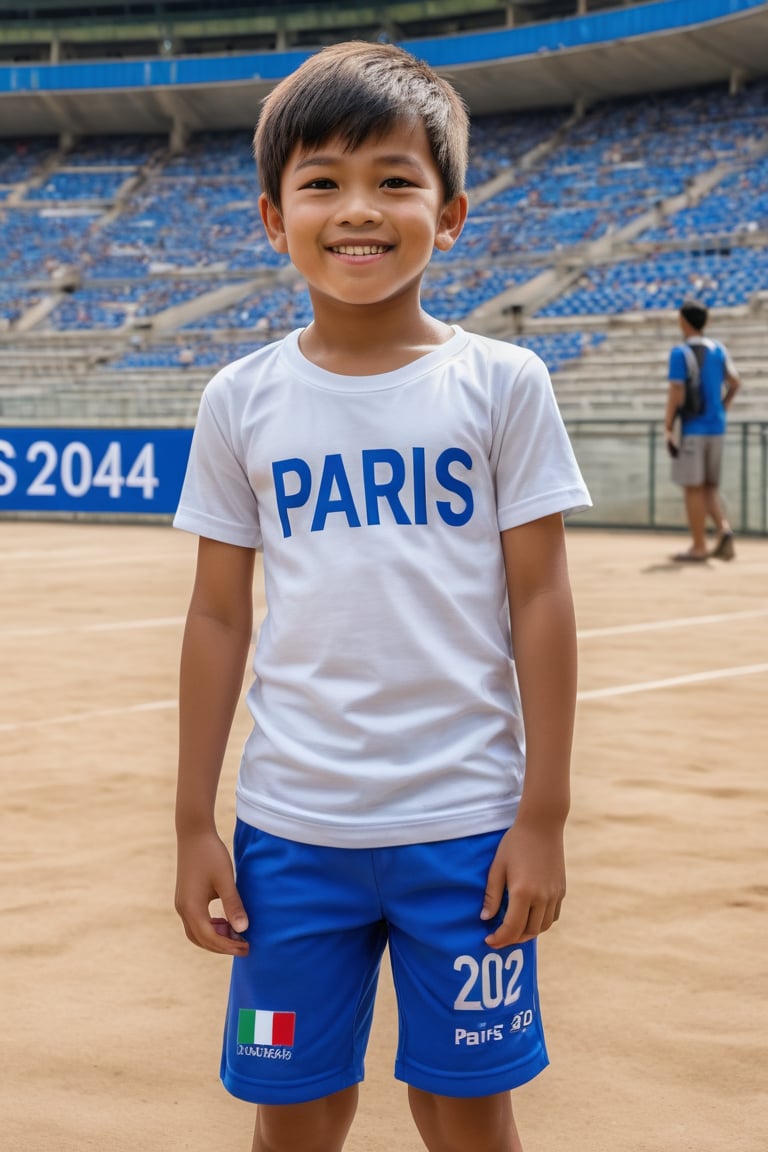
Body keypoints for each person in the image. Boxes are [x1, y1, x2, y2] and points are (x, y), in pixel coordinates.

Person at [173, 41, 591, 1152]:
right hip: (289, 837)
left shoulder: (502, 384)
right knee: (296, 1104)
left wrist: (542, 815)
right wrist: (190, 822)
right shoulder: (240, 399)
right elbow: (217, 616)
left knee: (464, 1102)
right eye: (323, 182)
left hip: (465, 829)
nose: (359, 209)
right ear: (274, 217)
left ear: (449, 215)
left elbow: (542, 599)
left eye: (396, 180)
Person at [665, 298, 740, 562]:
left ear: (684, 321)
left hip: (693, 428)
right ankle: (724, 530)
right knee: (710, 487)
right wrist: (722, 408)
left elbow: (676, 391)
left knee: (693, 488)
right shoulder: (718, 349)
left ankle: (699, 546)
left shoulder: (680, 353)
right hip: (717, 427)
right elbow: (735, 382)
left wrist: (667, 427)